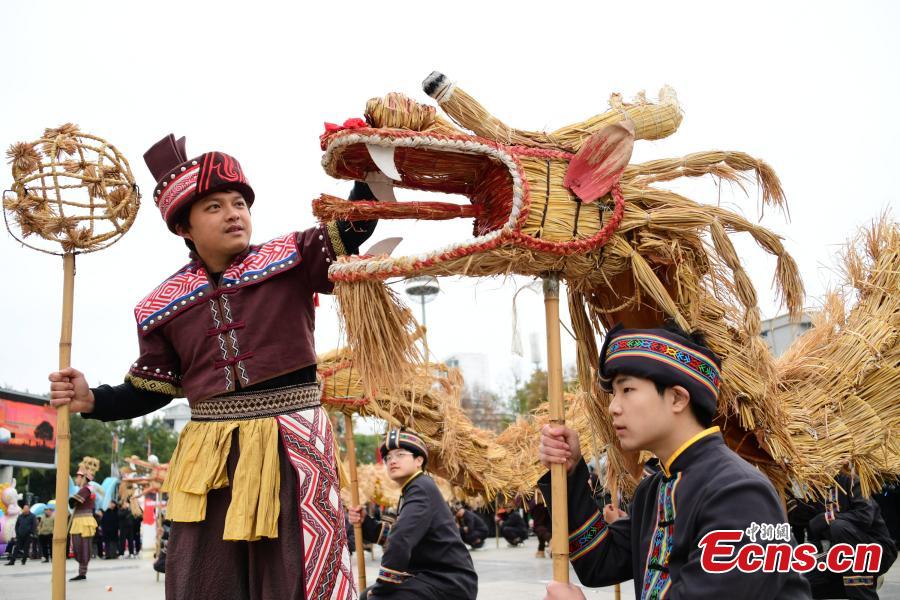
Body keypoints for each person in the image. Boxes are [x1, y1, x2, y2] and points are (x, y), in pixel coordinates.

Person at [48, 134, 378, 599]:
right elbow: (152, 388)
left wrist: (370, 169)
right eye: (215, 207)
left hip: (294, 442)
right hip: (209, 454)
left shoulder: (292, 257)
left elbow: (353, 228)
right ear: (184, 227)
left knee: (298, 573)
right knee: (204, 578)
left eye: (240, 203)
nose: (233, 213)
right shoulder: (160, 307)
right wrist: (93, 400)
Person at [538, 322, 812, 599]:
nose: (613, 407)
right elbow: (600, 562)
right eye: (614, 394)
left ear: (678, 398)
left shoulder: (738, 492)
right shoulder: (652, 491)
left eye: (627, 390)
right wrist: (570, 472)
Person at [348, 429, 478, 599]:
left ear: (419, 460)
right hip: (433, 575)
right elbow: (394, 535)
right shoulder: (413, 488)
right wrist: (366, 522)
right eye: (388, 458)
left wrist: (383, 586)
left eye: (400, 455)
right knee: (366, 596)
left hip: (448, 580)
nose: (392, 461)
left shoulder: (420, 488)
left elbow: (401, 539)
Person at [789, 472, 897, 599]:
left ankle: (864, 586)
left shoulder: (851, 481)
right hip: (840, 556)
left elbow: (865, 516)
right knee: (802, 584)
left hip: (876, 551)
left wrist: (828, 518)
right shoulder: (814, 493)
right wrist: (785, 493)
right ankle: (868, 581)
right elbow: (798, 518)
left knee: (839, 528)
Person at [68, 460, 99, 580]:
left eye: (78, 477)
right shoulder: (84, 489)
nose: (76, 479)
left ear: (83, 478)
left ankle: (82, 572)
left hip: (84, 521)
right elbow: (73, 503)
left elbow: (74, 501)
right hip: (79, 520)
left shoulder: (87, 488)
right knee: (78, 547)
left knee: (83, 547)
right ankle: (82, 571)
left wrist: (72, 500)